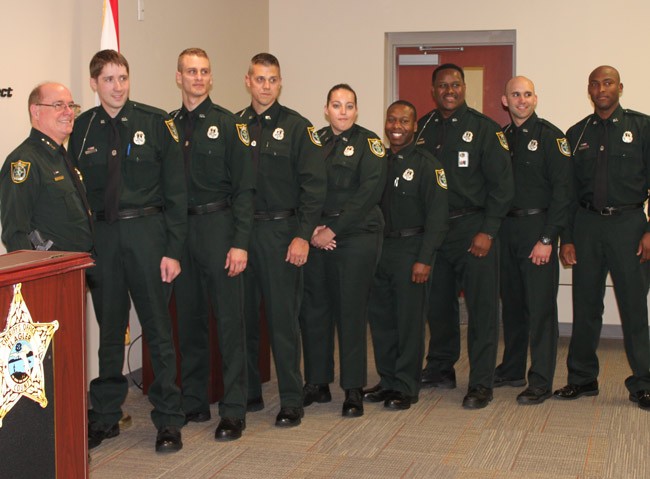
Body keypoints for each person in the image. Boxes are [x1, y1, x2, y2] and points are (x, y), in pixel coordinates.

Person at [69, 50, 188, 452]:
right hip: (103, 238)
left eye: (123, 78)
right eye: (109, 80)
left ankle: (169, 419)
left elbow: (176, 192)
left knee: (157, 329)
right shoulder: (82, 129)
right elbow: (76, 195)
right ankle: (105, 416)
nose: (117, 87)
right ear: (94, 83)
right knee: (109, 333)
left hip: (148, 235)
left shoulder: (156, 123)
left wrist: (173, 250)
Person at [236, 53, 326, 427]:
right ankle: (250, 391)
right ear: (248, 80)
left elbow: (313, 188)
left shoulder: (297, 127)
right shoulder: (233, 126)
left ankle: (291, 398)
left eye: (272, 79)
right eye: (260, 79)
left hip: (281, 233)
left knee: (282, 319)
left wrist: (302, 235)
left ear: (280, 82)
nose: (266, 86)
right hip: (241, 233)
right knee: (242, 318)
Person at [417, 63, 514, 409]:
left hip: (474, 229)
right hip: (435, 232)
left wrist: (488, 230)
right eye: (442, 85)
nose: (449, 90)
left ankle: (481, 382)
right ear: (433, 90)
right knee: (438, 304)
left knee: (482, 309)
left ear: (464, 88)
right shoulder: (422, 128)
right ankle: (441, 367)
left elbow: (503, 188)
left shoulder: (485, 130)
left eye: (455, 84)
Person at [170, 48, 254, 440]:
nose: (198, 78)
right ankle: (194, 401)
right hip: (181, 234)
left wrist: (240, 243)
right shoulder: (166, 127)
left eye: (204, 71)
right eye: (191, 71)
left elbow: (245, 190)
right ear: (179, 77)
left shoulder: (229, 125)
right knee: (189, 322)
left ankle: (234, 408)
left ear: (211, 77)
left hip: (219, 228)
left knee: (230, 322)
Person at [555, 65, 650, 410]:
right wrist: (567, 237)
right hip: (587, 226)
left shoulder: (642, 126)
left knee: (635, 308)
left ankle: (644, 383)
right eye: (595, 84)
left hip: (629, 225)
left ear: (619, 87)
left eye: (607, 82)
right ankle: (581, 379)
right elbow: (566, 192)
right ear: (589, 90)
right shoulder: (577, 133)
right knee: (586, 306)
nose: (601, 88)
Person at [299, 84, 386, 417]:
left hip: (356, 236)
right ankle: (317, 382)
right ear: (326, 109)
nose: (343, 111)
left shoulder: (370, 144)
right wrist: (312, 231)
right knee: (314, 310)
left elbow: (368, 194)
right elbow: (302, 186)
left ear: (357, 110)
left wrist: (332, 230)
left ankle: (353, 388)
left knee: (350, 311)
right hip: (317, 233)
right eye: (337, 105)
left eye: (349, 105)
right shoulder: (313, 141)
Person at [363, 100, 449, 410]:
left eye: (403, 121)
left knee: (409, 322)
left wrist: (425, 258)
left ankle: (406, 385)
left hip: (412, 250)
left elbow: (438, 219)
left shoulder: (429, 165)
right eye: (391, 120)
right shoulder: (378, 162)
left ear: (415, 127)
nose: (396, 126)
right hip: (379, 249)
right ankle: (387, 381)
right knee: (382, 319)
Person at [497, 76, 572, 404]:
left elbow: (563, 193)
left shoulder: (551, 137)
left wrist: (547, 238)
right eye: (516, 95)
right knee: (512, 305)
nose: (521, 100)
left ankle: (540, 378)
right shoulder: (498, 139)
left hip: (537, 229)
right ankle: (513, 368)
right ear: (505, 100)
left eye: (527, 94)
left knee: (540, 309)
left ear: (535, 98)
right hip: (505, 232)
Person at [1, 83, 92, 253]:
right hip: (51, 275)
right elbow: (15, 233)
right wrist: (32, 278)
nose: (69, 112)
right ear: (35, 111)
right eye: (59, 105)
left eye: (71, 105)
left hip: (76, 269)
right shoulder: (24, 161)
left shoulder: (61, 157)